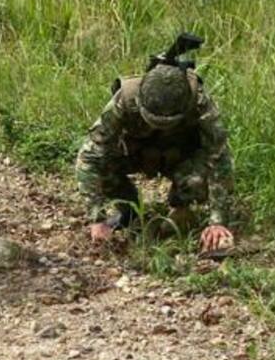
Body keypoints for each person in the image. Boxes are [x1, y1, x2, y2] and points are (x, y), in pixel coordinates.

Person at [75, 62, 235, 255]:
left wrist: (218, 222)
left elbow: (219, 158)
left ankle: (182, 206)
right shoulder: (124, 99)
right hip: (135, 154)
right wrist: (97, 219)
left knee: (198, 176)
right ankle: (129, 210)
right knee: (103, 163)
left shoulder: (200, 103)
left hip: (181, 157)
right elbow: (89, 157)